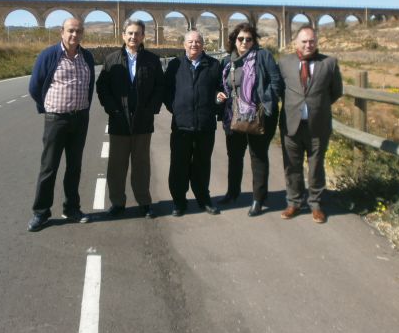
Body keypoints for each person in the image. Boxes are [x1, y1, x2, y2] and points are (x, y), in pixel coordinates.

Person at [26, 17, 95, 232]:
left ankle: (71, 208)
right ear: (61, 32)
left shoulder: (87, 56)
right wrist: (48, 108)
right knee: (49, 167)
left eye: (78, 31)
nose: (75, 35)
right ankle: (41, 213)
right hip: (56, 119)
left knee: (74, 167)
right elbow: (35, 87)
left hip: (80, 118)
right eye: (71, 31)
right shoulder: (49, 55)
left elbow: (89, 85)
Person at [96, 19, 164, 219]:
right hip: (119, 122)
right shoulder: (111, 59)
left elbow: (160, 86)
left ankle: (144, 202)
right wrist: (112, 110)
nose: (134, 37)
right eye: (130, 33)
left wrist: (151, 109)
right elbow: (102, 87)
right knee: (117, 165)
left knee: (141, 164)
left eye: (138, 33)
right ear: (123, 35)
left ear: (143, 36)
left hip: (143, 122)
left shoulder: (152, 60)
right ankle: (117, 202)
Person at [217, 22, 284, 216]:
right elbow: (223, 87)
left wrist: (266, 104)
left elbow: (276, 81)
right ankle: (233, 193)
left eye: (249, 39)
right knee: (234, 157)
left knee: (258, 157)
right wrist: (220, 96)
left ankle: (258, 198)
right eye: (240, 39)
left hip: (260, 116)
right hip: (234, 116)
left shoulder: (263, 56)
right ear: (234, 40)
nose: (244, 42)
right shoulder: (226, 62)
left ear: (254, 41)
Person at [279, 25, 343, 223]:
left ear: (317, 42)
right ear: (296, 42)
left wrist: (316, 106)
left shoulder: (329, 63)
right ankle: (294, 202)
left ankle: (315, 204)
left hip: (318, 125)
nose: (308, 45)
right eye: (304, 41)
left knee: (316, 166)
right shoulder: (284, 63)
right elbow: (281, 90)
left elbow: (336, 91)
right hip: (291, 124)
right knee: (292, 166)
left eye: (312, 41)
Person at [164, 30, 221, 217]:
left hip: (205, 125)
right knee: (179, 165)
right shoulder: (175, 65)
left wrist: (218, 100)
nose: (194, 44)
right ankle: (179, 202)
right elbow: (166, 90)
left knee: (202, 165)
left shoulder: (214, 65)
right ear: (184, 44)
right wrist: (176, 108)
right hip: (181, 126)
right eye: (190, 41)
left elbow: (221, 89)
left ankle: (204, 199)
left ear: (203, 44)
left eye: (197, 41)